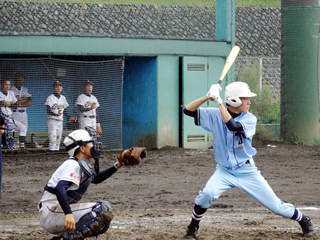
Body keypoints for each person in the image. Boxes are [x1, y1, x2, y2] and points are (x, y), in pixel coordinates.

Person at [182, 81, 315, 239]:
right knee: (206, 194)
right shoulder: (214, 115)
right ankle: (193, 226)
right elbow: (187, 110)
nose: (249, 102)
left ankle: (305, 220)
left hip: (247, 171)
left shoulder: (250, 118)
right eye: (245, 99)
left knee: (277, 207)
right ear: (235, 101)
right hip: (224, 171)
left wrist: (218, 102)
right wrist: (207, 97)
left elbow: (233, 126)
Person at [37, 129, 125, 239]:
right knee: (101, 211)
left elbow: (96, 178)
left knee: (103, 219)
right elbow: (60, 188)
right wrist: (68, 214)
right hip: (52, 211)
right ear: (82, 148)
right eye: (90, 142)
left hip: (56, 211)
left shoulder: (80, 164)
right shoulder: (73, 165)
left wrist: (118, 165)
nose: (94, 145)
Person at [45, 81, 76, 152]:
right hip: (52, 121)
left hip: (60, 121)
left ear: (62, 88)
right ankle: (51, 154)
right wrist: (55, 114)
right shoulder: (50, 98)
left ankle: (55, 156)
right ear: (53, 88)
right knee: (53, 139)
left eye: (60, 86)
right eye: (56, 87)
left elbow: (64, 110)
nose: (58, 88)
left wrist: (69, 117)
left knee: (58, 140)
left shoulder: (63, 98)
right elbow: (48, 111)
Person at [0, 79, 27, 150]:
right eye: (6, 84)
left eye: (9, 85)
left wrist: (8, 104)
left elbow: (15, 105)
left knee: (23, 128)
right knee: (2, 132)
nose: (7, 86)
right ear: (1, 85)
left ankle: (21, 146)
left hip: (9, 118)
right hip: (1, 119)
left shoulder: (11, 93)